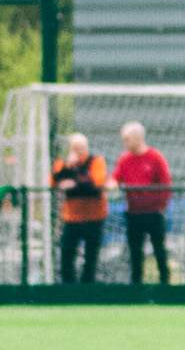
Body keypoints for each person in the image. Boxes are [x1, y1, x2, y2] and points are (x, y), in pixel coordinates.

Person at [113, 122, 172, 286]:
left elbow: (166, 184)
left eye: (127, 139)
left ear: (138, 138)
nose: (124, 143)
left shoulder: (155, 157)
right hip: (133, 213)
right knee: (134, 252)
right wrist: (111, 184)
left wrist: (160, 207)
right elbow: (116, 178)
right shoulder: (124, 159)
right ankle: (136, 285)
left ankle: (164, 284)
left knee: (159, 249)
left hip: (153, 213)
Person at [51, 130, 108, 285]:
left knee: (91, 256)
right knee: (67, 253)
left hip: (94, 216)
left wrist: (74, 183)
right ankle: (68, 287)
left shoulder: (96, 161)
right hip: (72, 217)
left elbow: (96, 182)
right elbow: (54, 180)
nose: (79, 152)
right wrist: (68, 168)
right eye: (75, 148)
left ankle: (88, 287)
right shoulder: (63, 164)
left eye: (81, 148)